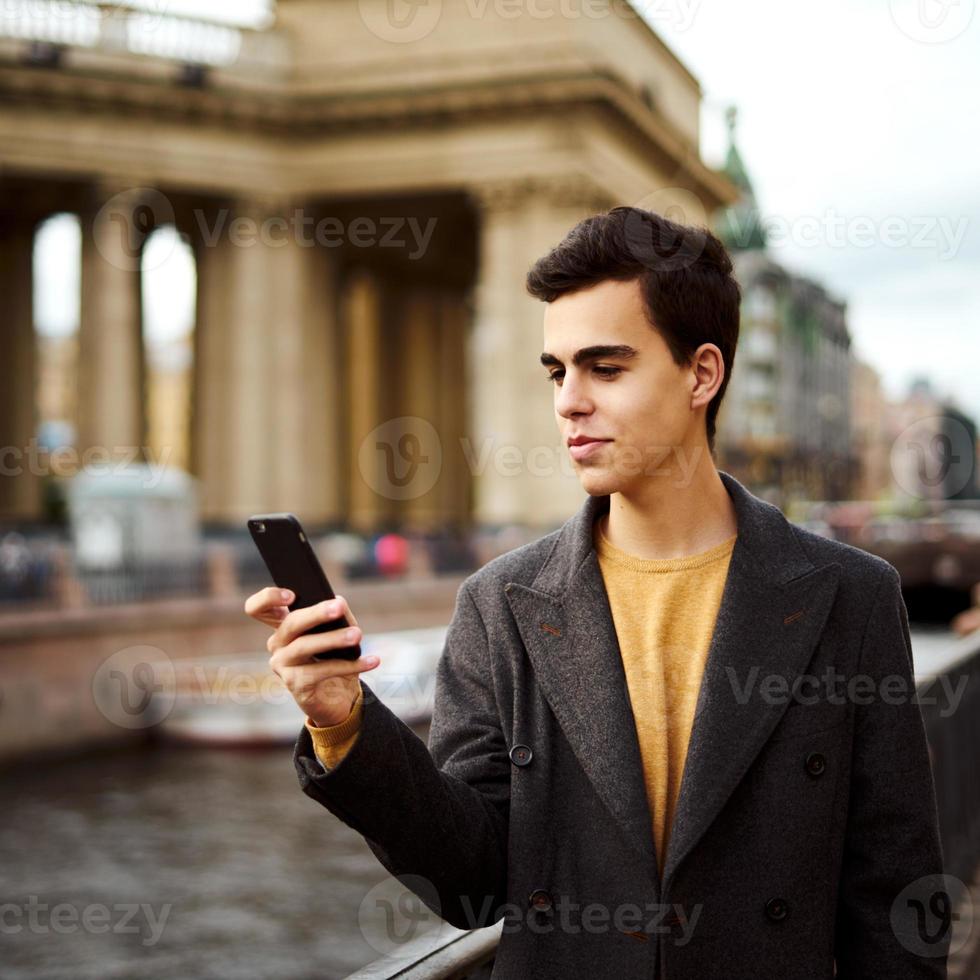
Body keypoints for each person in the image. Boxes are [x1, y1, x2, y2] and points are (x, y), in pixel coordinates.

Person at [244, 207, 950, 979]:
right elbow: (472, 881)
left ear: (701, 374)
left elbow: (895, 900)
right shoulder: (501, 601)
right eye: (557, 370)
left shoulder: (851, 597)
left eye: (605, 368)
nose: (569, 402)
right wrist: (345, 722)